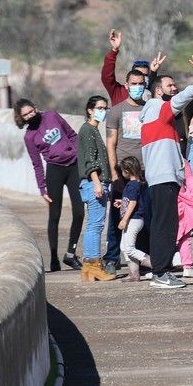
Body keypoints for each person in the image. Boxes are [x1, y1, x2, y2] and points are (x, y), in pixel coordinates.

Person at [140, 68, 193, 289]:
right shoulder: (157, 107)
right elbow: (178, 102)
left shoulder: (157, 113)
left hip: (164, 177)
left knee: (164, 224)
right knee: (165, 225)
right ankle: (161, 273)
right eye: (170, 86)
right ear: (159, 90)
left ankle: (160, 271)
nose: (174, 88)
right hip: (163, 177)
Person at [15, 99, 84, 272]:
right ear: (21, 118)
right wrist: (42, 188)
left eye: (31, 111)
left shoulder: (52, 116)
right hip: (54, 171)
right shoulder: (29, 136)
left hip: (73, 166)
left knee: (79, 212)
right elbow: (36, 163)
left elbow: (72, 135)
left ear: (36, 108)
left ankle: (70, 253)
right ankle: (53, 257)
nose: (30, 115)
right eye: (25, 115)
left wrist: (77, 153)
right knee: (55, 214)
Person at [102, 67, 148, 275]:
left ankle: (145, 257)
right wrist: (114, 174)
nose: (138, 87)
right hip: (123, 172)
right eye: (134, 84)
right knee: (117, 218)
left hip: (146, 172)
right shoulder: (116, 111)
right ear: (127, 85)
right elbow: (110, 143)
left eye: (141, 83)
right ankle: (112, 258)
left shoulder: (150, 109)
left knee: (144, 217)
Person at [76, 95, 116, 282]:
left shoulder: (92, 130)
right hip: (94, 183)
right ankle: (92, 264)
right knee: (95, 225)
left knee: (95, 224)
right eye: (99, 108)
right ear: (90, 110)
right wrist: (97, 183)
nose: (103, 111)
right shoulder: (88, 131)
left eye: (105, 108)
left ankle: (89, 269)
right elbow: (90, 160)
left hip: (95, 182)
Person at [101, 29, 166, 106]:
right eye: (137, 74)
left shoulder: (150, 95)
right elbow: (107, 77)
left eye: (145, 75)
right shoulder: (118, 91)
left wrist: (153, 72)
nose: (141, 77)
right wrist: (114, 51)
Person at [117, 156, 151, 281]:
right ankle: (134, 274)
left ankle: (156, 265)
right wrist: (122, 202)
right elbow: (131, 201)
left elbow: (133, 203)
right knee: (124, 247)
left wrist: (124, 219)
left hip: (133, 220)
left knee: (130, 248)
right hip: (133, 219)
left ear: (127, 170)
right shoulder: (136, 184)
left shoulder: (132, 185)